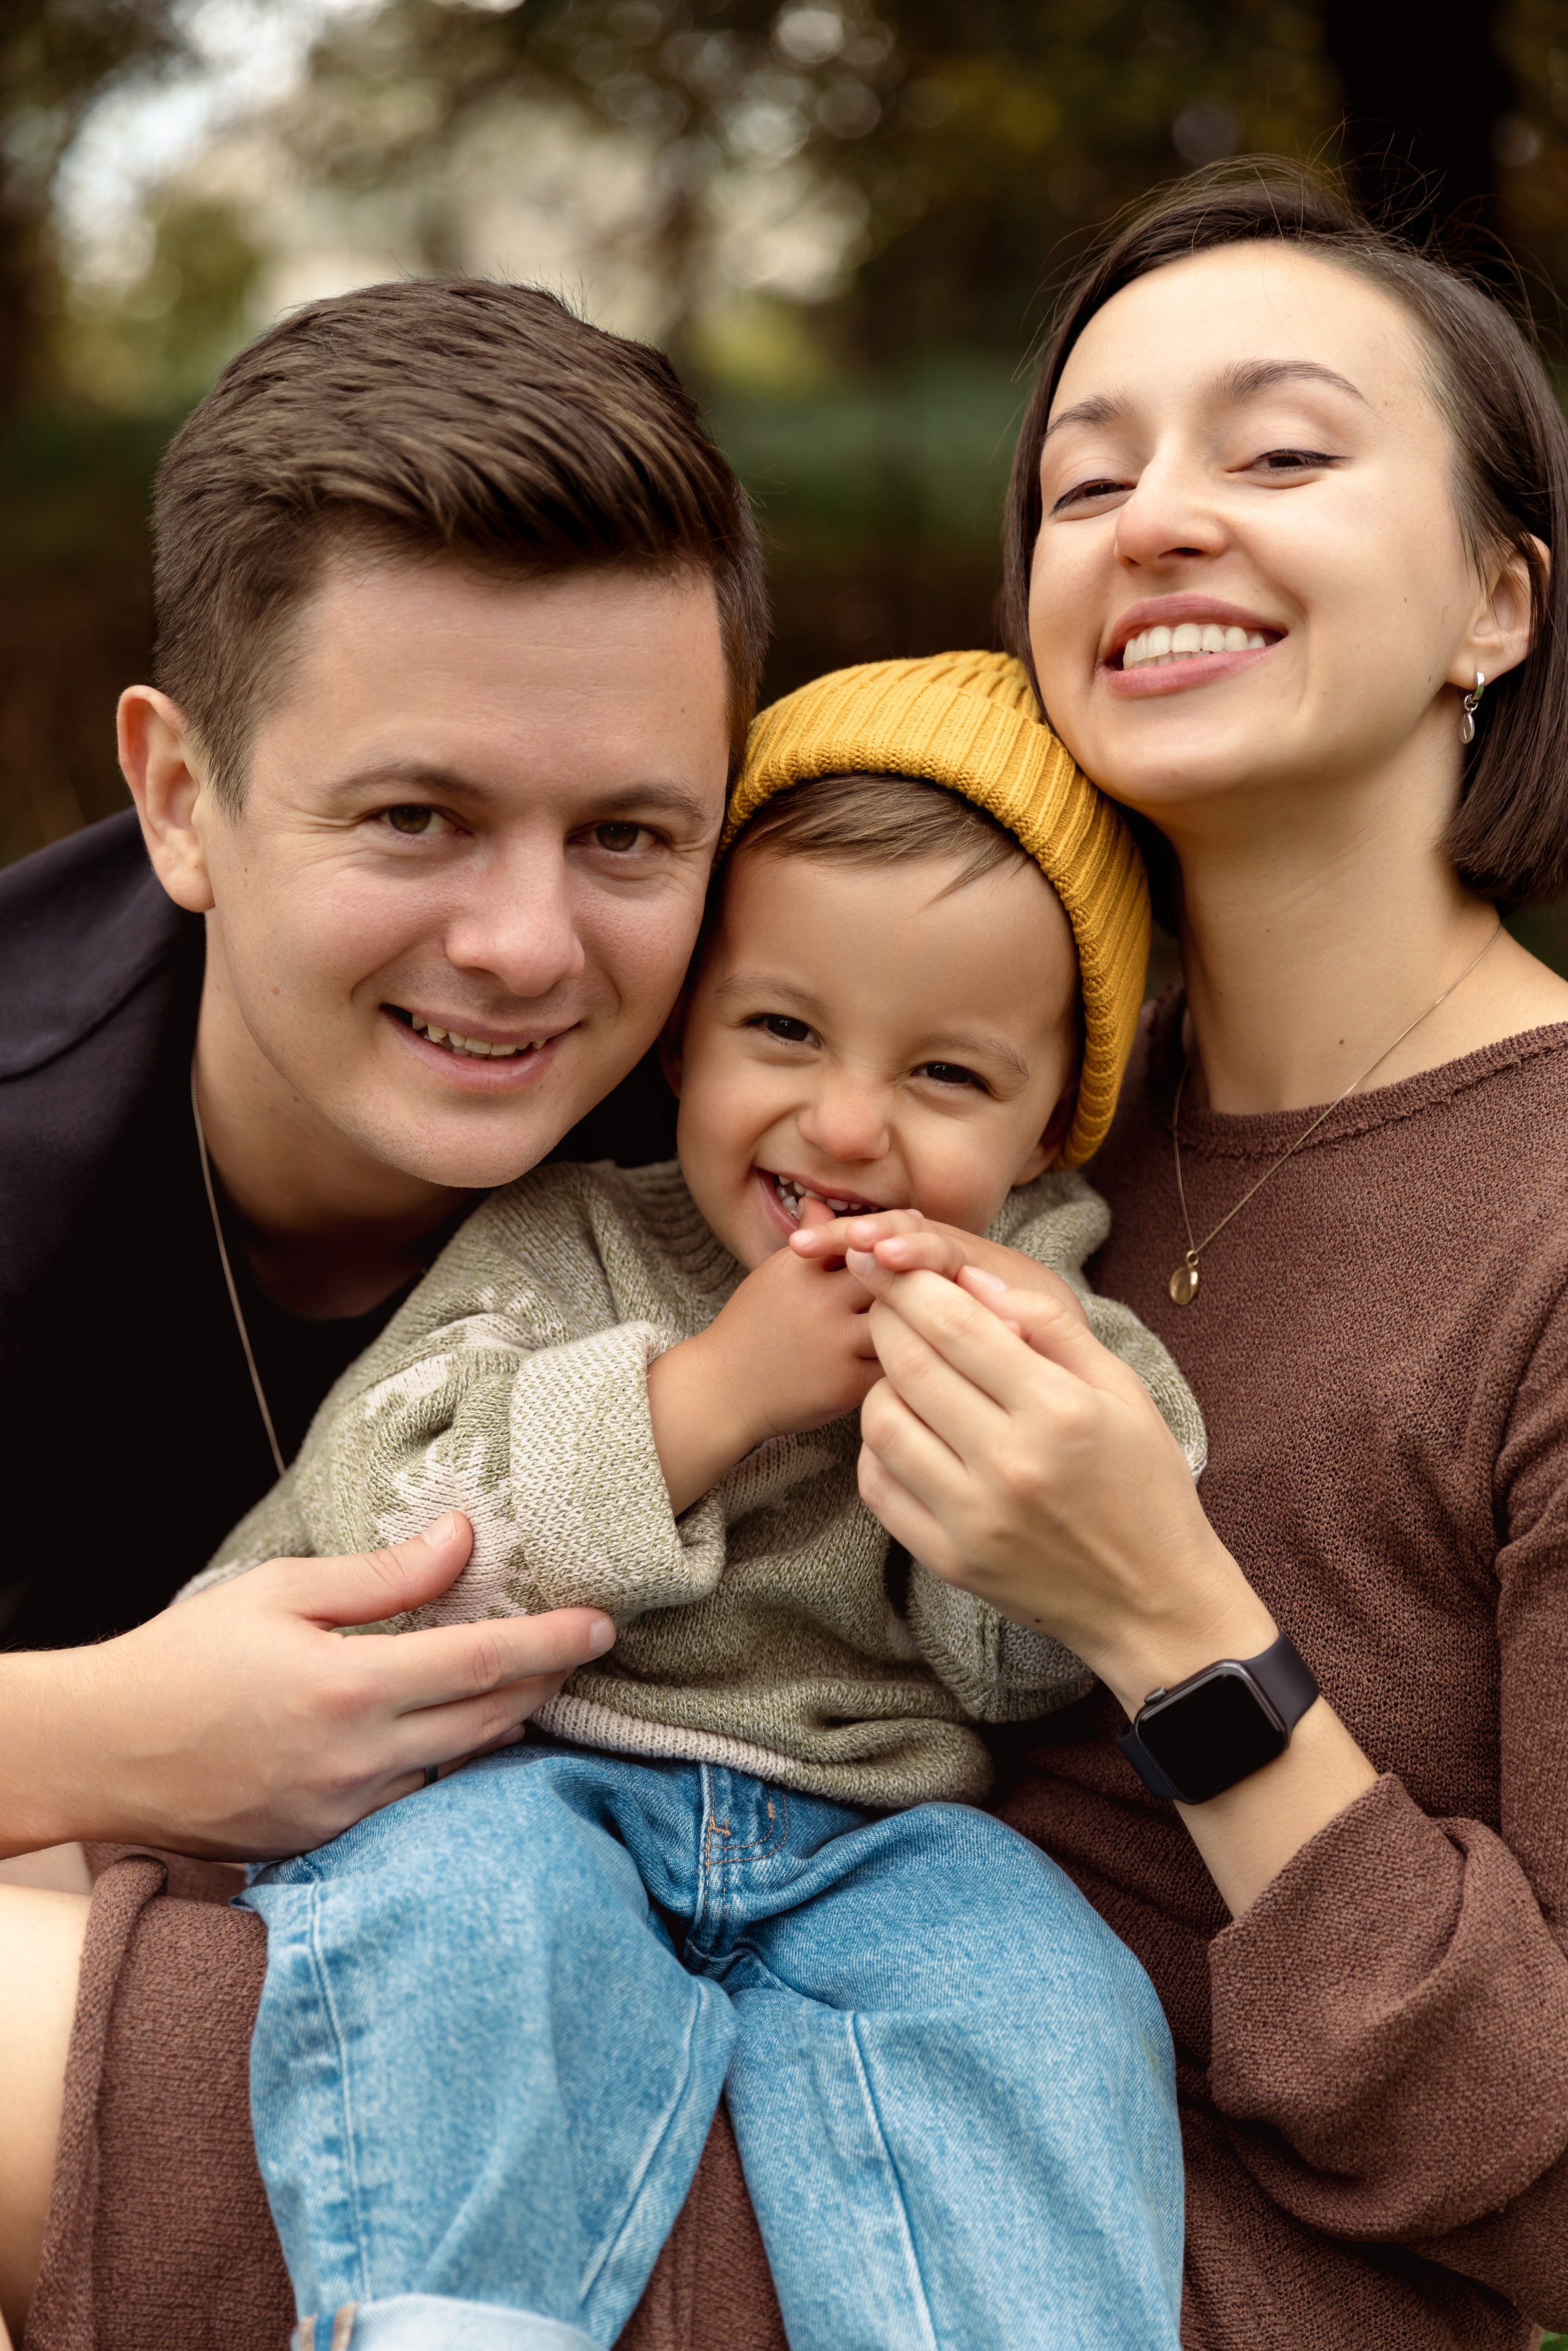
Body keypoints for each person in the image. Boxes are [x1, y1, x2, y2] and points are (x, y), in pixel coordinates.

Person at [200, 654, 1204, 2351]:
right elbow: (375, 1524)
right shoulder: (567, 1239)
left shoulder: (1043, 1316)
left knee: (1038, 1983)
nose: (848, 1122)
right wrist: (710, 1399)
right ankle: (448, 2322)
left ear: (1051, 1131)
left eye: (949, 1078)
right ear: (684, 1036)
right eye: (786, 1031)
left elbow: (1029, 1665)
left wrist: (1025, 1478)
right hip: (524, 1773)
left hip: (868, 1837)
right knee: (465, 1917)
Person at [825, 165, 1568, 2349]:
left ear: (1497, 607)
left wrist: (1167, 1623)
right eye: (1087, 477)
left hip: (1145, 2261)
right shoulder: (993, 1109)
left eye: (1281, 452)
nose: (1153, 518)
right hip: (766, 2044)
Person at [0, 272, 766, 2351]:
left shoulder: (791, 1120)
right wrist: (99, 1732)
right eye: (415, 817)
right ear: (183, 803)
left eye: (628, 835)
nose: (525, 947)